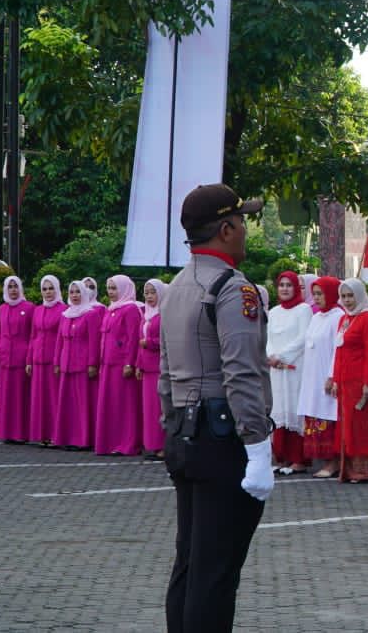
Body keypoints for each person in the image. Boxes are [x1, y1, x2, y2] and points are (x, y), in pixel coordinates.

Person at [158, 183, 273, 631]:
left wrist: (172, 430)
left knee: (190, 565)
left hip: (186, 434)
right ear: (226, 229)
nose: (245, 229)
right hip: (224, 440)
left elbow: (165, 374)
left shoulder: (177, 287)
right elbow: (241, 372)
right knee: (216, 573)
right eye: (242, 221)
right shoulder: (231, 288)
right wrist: (259, 447)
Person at [330, 278, 368, 483]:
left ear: (359, 295)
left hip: (360, 382)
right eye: (343, 296)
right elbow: (339, 352)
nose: (347, 300)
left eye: (351, 296)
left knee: (361, 425)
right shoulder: (344, 319)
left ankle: (363, 471)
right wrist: (335, 380)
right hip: (344, 381)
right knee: (347, 426)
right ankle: (348, 470)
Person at [265, 271, 310, 473]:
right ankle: (282, 457)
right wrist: (270, 356)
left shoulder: (304, 310)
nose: (284, 289)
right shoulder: (273, 312)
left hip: (295, 369)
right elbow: (266, 338)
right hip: (276, 369)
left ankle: (298, 459)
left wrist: (281, 356)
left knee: (294, 410)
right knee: (279, 409)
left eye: (289, 285)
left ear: (296, 288)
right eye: (281, 285)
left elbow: (303, 338)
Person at [298, 276, 343, 478]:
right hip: (312, 376)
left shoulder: (338, 316)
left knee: (328, 417)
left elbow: (338, 349)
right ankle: (324, 460)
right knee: (315, 416)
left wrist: (332, 376)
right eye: (314, 293)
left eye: (320, 294)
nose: (316, 298)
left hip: (326, 375)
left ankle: (333, 462)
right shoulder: (316, 317)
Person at [94, 275, 143, 455]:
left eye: (114, 288)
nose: (111, 292)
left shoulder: (130, 309)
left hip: (122, 365)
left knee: (125, 406)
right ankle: (112, 442)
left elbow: (133, 338)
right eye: (109, 288)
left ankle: (128, 443)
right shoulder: (110, 309)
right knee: (111, 405)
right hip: (107, 364)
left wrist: (130, 363)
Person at [53, 280, 102, 450]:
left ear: (84, 294)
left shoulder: (91, 314)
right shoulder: (65, 314)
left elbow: (95, 341)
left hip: (82, 365)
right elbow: (60, 341)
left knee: (83, 404)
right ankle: (69, 437)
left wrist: (92, 363)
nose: (74, 295)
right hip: (66, 364)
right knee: (68, 404)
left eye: (78, 292)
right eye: (72, 292)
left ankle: (84, 439)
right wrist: (57, 363)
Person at [0, 276, 36, 443]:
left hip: (21, 358)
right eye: (10, 287)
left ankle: (21, 434)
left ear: (20, 288)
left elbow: (33, 334)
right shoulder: (2, 308)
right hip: (5, 357)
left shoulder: (29, 307)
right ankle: (6, 433)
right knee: (5, 396)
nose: (13, 290)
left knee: (20, 397)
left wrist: (29, 356)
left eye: (16, 286)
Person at [27, 276, 64, 446]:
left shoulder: (64, 309)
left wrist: (58, 361)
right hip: (38, 359)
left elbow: (62, 338)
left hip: (52, 360)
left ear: (57, 289)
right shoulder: (37, 310)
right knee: (39, 399)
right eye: (45, 289)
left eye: (51, 288)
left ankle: (55, 434)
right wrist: (29, 360)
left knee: (53, 398)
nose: (48, 292)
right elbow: (33, 336)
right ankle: (41, 434)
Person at [137, 279, 168, 460]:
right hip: (147, 367)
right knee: (149, 409)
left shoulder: (164, 314)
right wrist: (138, 364)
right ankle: (152, 444)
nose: (149, 296)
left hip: (159, 367)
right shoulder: (146, 315)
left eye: (153, 292)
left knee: (159, 408)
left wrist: (149, 343)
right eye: (147, 293)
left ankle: (163, 446)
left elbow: (166, 340)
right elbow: (138, 342)